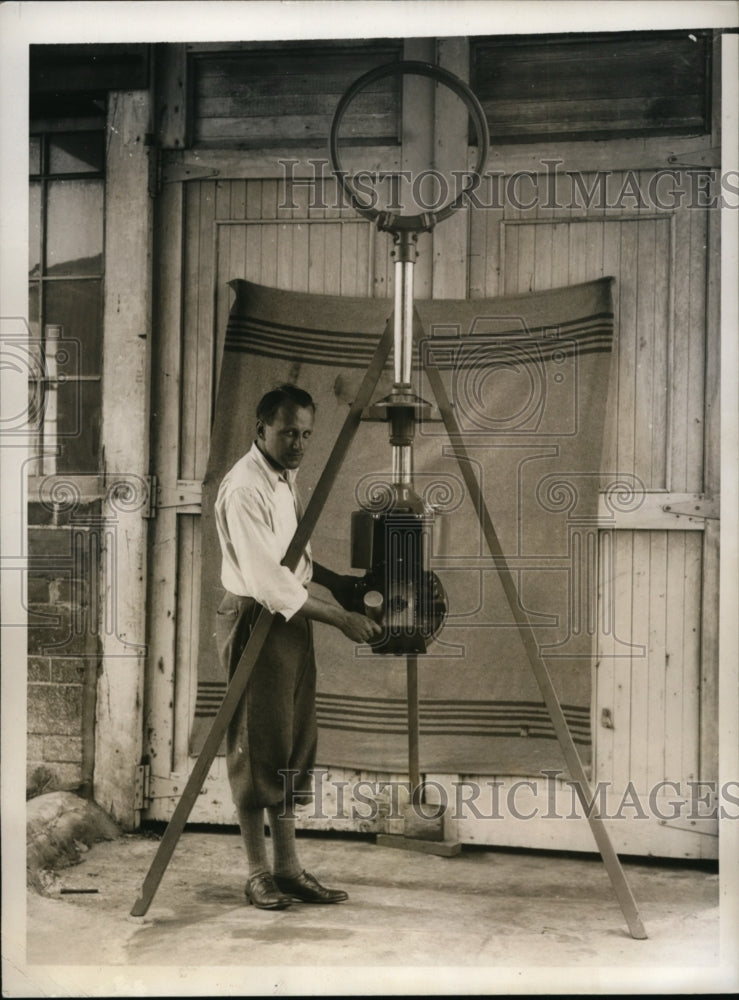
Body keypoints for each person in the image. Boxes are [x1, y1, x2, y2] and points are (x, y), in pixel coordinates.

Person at [214, 383, 381, 910]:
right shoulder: (245, 488)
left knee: (290, 743)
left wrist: (340, 584)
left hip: (290, 620)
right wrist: (339, 618)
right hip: (254, 619)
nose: (298, 443)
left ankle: (288, 868)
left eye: (306, 433)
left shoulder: (284, 479)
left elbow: (296, 560)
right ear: (260, 428)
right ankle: (257, 872)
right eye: (288, 432)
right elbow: (269, 582)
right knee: (257, 746)